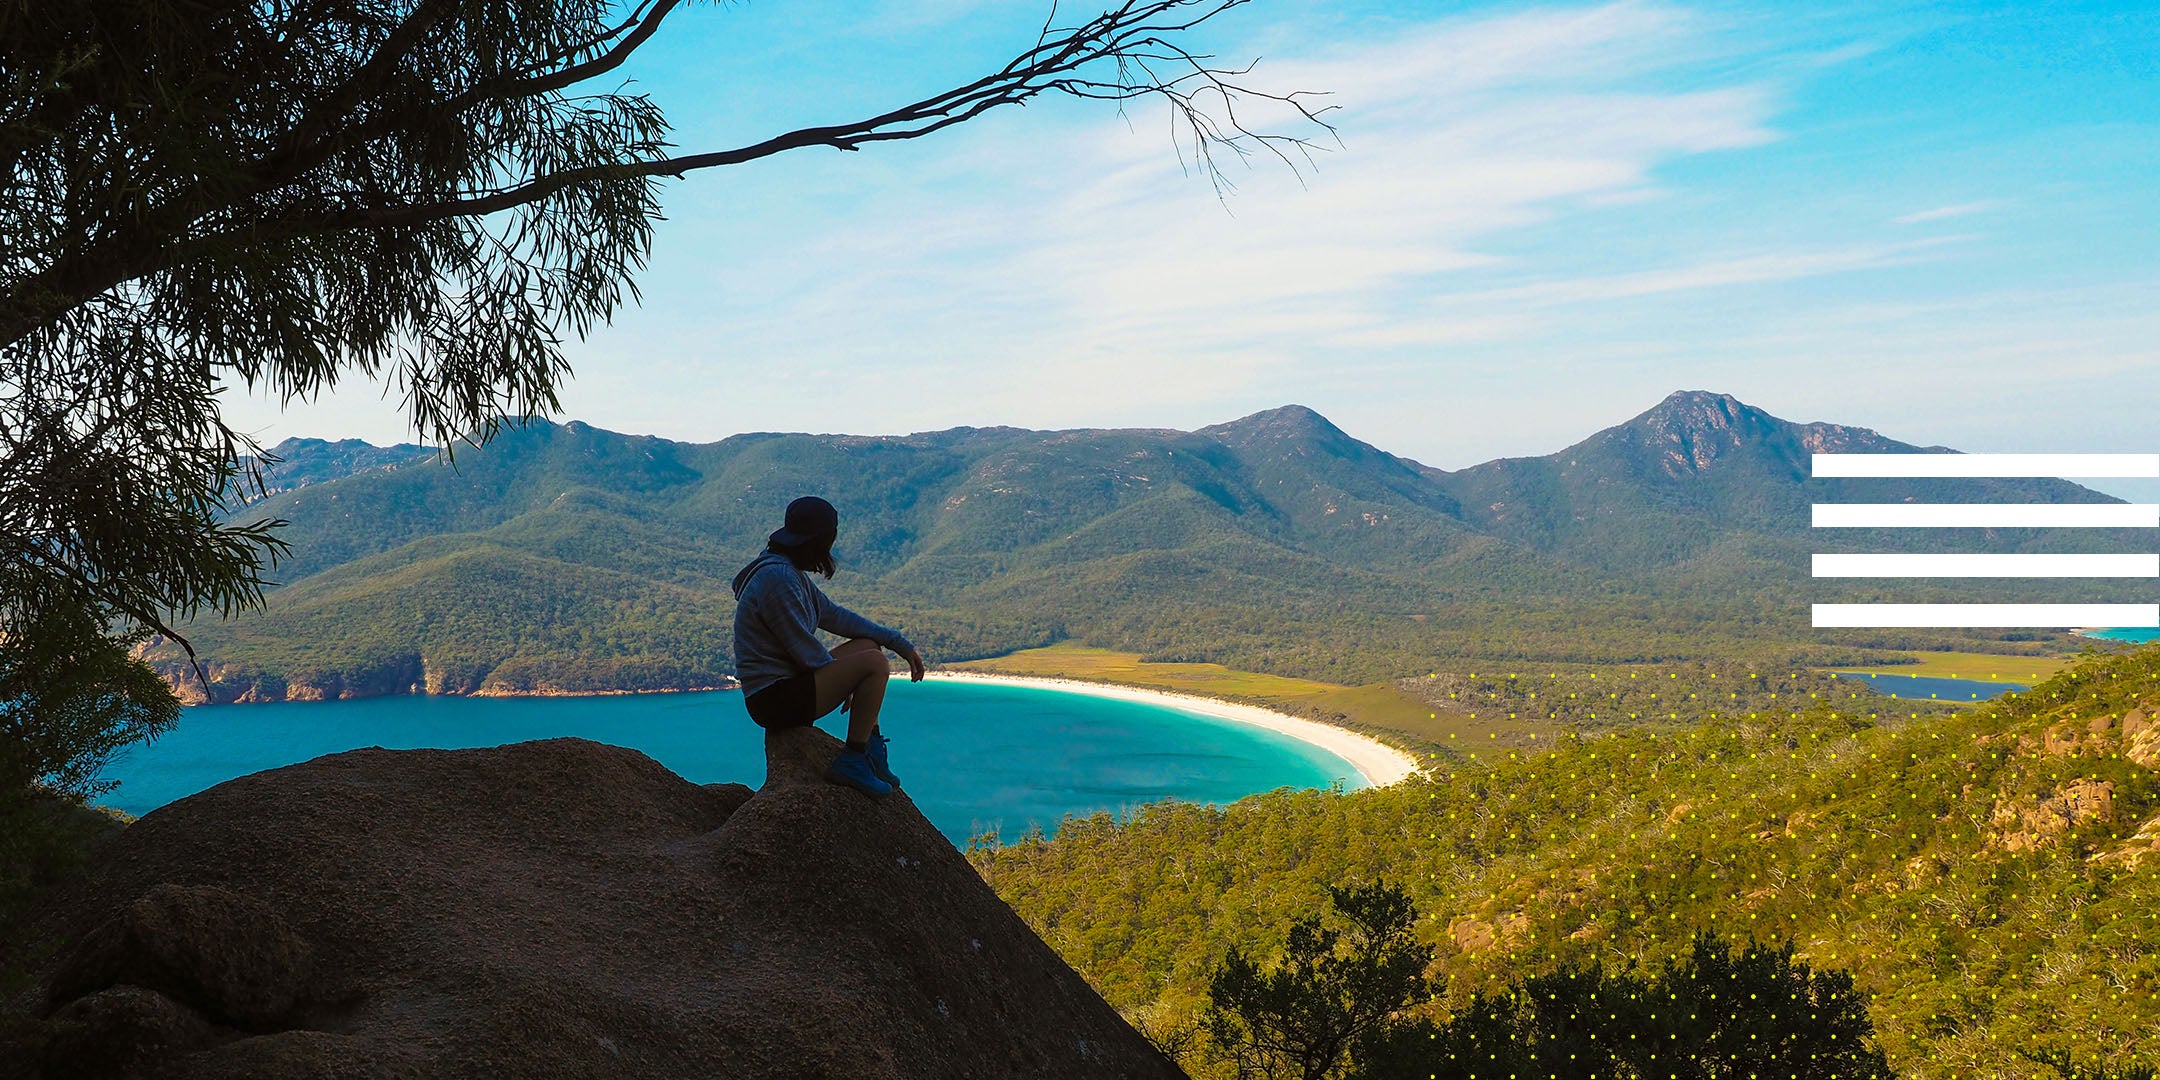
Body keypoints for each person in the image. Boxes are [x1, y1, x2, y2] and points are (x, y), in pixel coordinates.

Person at [730, 496, 925, 798]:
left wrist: (897, 642)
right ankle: (854, 759)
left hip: (790, 685)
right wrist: (845, 680)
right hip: (773, 699)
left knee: (868, 645)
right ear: (819, 542)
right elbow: (802, 648)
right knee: (874, 663)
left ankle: (871, 749)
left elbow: (836, 617)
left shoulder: (788, 573)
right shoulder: (777, 578)